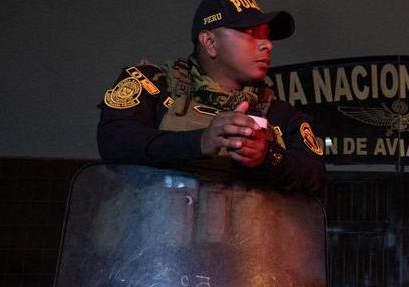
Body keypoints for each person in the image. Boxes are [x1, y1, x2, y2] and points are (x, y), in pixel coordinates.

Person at [97, 0, 325, 196]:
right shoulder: (153, 86)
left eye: (266, 35)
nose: (267, 45)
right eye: (251, 33)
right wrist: (200, 143)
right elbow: (115, 141)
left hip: (249, 246)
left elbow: (315, 175)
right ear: (210, 42)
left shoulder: (280, 114)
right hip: (155, 243)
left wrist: (265, 156)